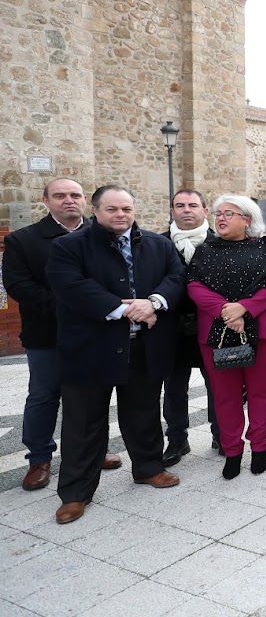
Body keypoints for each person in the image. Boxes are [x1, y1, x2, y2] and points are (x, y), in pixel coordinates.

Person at [45, 185, 185, 524]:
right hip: (90, 349)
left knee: (144, 412)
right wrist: (123, 310)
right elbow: (70, 286)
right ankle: (76, 493)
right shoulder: (68, 246)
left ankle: (148, 468)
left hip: (143, 347)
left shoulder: (159, 244)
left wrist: (152, 302)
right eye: (112, 209)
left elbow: (177, 278)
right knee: (83, 423)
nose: (120, 214)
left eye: (126, 208)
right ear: (96, 211)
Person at [4, 179, 122, 493]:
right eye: (60, 196)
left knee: (91, 396)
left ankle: (94, 451)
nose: (68, 201)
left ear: (86, 201)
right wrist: (72, 306)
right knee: (44, 396)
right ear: (45, 200)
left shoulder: (107, 237)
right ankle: (39, 459)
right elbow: (19, 286)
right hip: (48, 334)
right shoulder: (24, 240)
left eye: (75, 195)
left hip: (97, 332)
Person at [187, 195, 266, 480]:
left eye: (229, 213)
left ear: (247, 219)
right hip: (216, 331)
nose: (220, 218)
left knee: (260, 393)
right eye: (218, 213)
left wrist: (245, 307)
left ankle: (260, 448)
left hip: (263, 332)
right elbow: (193, 284)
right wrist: (225, 310)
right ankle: (232, 450)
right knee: (225, 397)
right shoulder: (205, 250)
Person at [161, 188, 219, 464]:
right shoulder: (156, 244)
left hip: (212, 327)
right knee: (174, 387)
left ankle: (221, 433)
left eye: (193, 205)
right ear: (172, 211)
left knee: (218, 385)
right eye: (180, 205)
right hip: (171, 329)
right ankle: (176, 439)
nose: (186, 210)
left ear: (204, 211)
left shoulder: (219, 243)